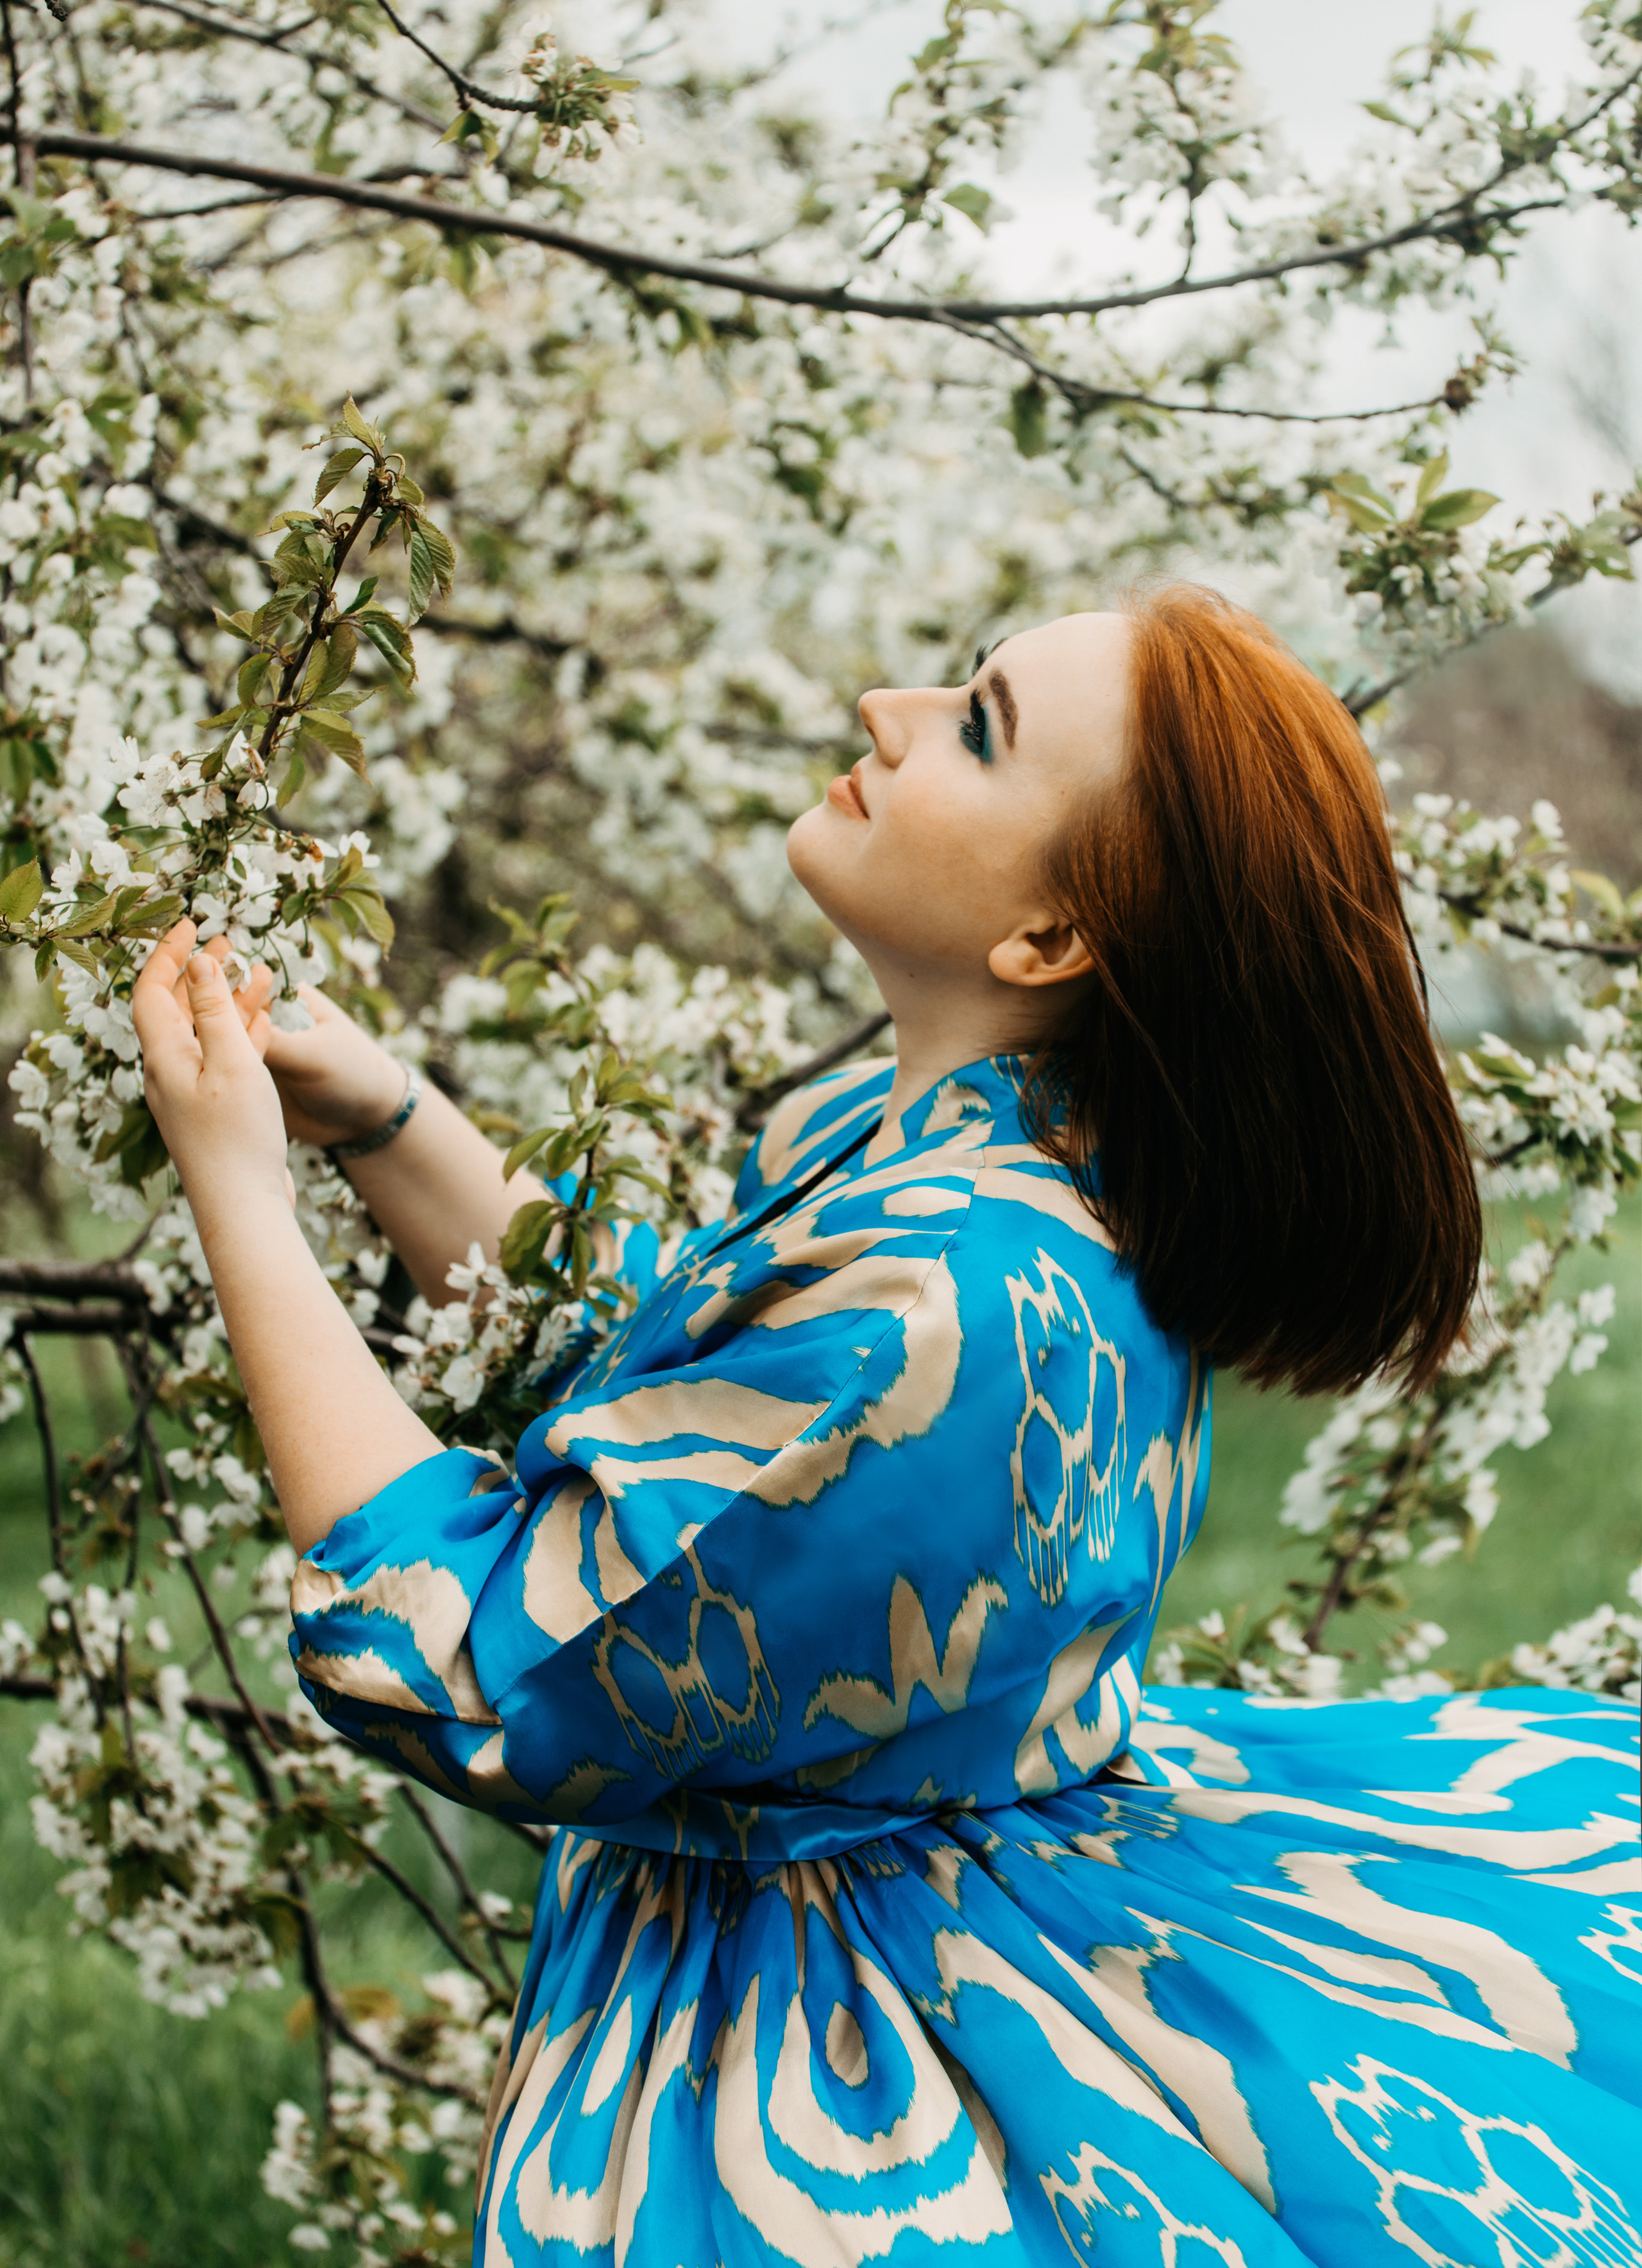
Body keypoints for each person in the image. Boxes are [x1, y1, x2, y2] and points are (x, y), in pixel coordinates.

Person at [133, 586, 1641, 2268]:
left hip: (841, 2031)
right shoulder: (979, 1156)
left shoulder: (946, 1304)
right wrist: (392, 1121)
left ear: (1052, 939)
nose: (885, 707)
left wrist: (239, 1191)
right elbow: (698, 1424)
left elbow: (475, 1665)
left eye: (977, 728)